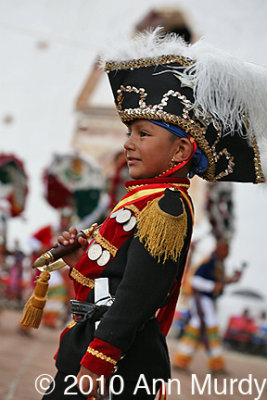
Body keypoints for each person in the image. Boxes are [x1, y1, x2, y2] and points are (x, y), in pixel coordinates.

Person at [37, 29, 266, 399]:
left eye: (143, 133)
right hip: (105, 351)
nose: (128, 143)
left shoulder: (166, 208)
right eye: (130, 131)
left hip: (119, 364)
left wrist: (98, 360)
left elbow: (138, 296)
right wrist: (81, 260)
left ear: (180, 151)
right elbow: (114, 284)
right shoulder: (145, 199)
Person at [173, 239, 242, 372]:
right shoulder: (209, 261)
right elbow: (194, 280)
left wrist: (232, 280)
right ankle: (212, 364)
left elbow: (218, 282)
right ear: (220, 248)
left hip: (206, 301)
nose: (228, 252)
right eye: (226, 248)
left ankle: (184, 361)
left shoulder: (217, 263)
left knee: (201, 327)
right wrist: (213, 286)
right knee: (207, 327)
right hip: (201, 300)